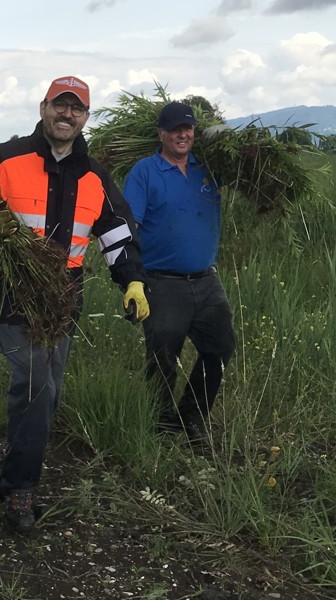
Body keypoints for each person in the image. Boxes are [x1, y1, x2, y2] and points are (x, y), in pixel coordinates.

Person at [0, 76, 148, 533]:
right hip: (8, 291)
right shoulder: (2, 159)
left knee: (48, 392)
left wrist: (133, 282)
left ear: (85, 117)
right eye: (59, 105)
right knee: (36, 384)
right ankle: (21, 489)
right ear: (43, 107)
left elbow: (116, 234)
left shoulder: (95, 176)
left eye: (76, 108)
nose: (67, 114)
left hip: (63, 300)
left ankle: (13, 473)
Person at [121, 101, 237, 447]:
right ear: (161, 134)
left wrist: (234, 141)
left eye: (188, 129)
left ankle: (192, 417)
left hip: (206, 280)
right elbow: (128, 226)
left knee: (221, 347)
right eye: (175, 130)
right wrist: (132, 277)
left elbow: (247, 167)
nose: (182, 135)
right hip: (161, 282)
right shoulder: (145, 172)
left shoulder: (209, 169)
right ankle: (160, 425)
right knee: (162, 358)